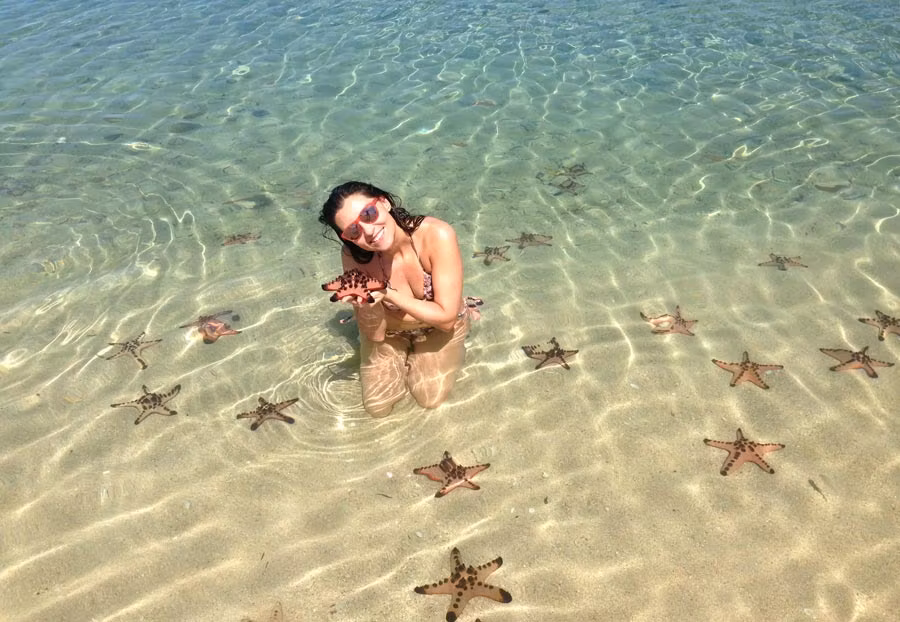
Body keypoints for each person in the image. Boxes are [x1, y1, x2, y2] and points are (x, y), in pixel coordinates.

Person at [319, 181, 471, 417]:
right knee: (377, 407)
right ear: (347, 238)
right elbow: (376, 335)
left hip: (438, 327)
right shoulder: (353, 255)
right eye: (353, 231)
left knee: (429, 398)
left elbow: (446, 320)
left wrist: (387, 293)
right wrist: (368, 303)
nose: (368, 232)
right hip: (391, 332)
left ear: (384, 202)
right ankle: (405, 355)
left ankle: (421, 355)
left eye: (368, 214)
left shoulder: (436, 235)